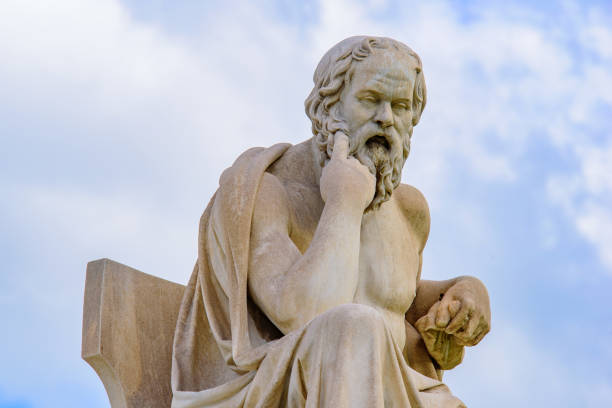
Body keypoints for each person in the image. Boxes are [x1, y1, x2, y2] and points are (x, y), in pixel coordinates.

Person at [171, 36, 491, 408]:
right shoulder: (266, 190)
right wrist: (343, 202)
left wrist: (464, 292)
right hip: (276, 390)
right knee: (354, 327)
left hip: (385, 391)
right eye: (370, 100)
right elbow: (309, 313)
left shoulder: (409, 209)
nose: (386, 118)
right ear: (328, 107)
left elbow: (389, 298)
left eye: (401, 106)